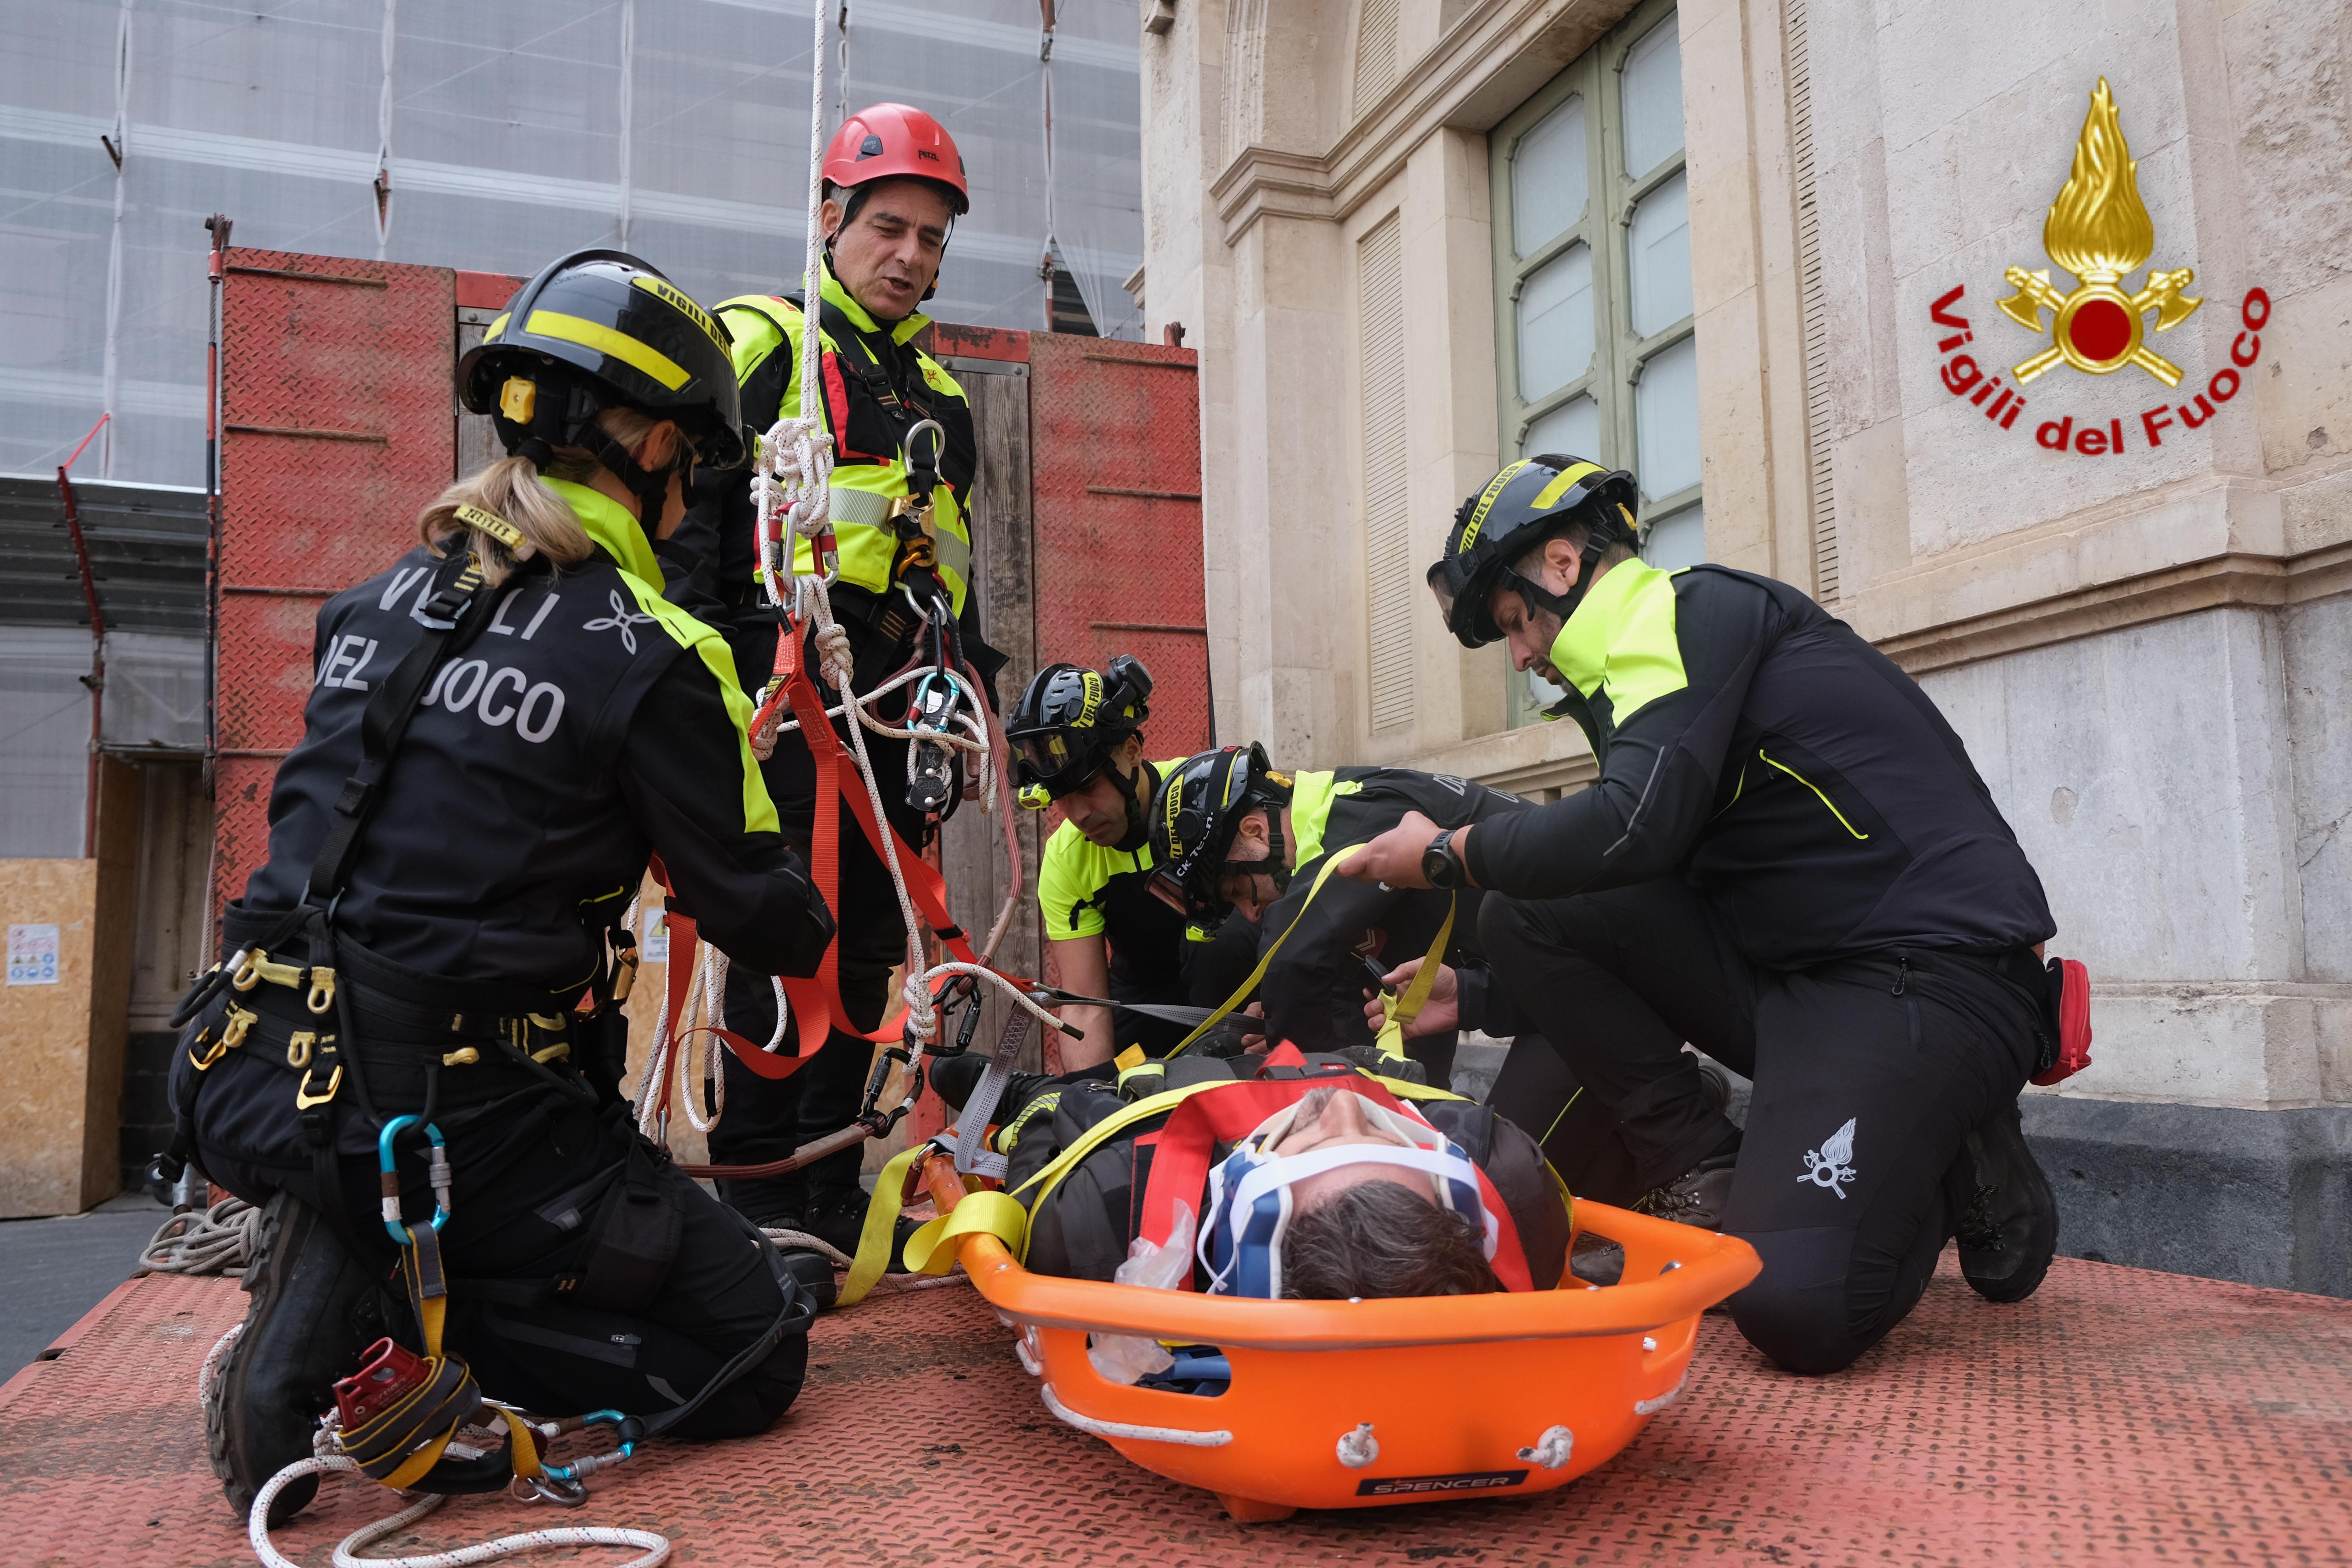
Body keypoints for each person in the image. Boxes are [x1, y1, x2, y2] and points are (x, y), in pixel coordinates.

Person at [167, 249, 833, 1523]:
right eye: (694, 453)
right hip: (455, 1110)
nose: (698, 489)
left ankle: (351, 1237)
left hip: (242, 1063)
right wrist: (748, 791)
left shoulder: (371, 602)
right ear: (640, 440)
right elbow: (767, 917)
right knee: (754, 1343)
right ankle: (378, 1299)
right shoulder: (654, 649)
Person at [1337, 453, 2065, 1376]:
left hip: (1927, 971)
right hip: (1801, 979)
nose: (1522, 656)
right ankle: (1702, 1166)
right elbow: (1630, 908)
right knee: (1524, 916)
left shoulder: (1680, 615)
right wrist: (1474, 994)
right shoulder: (1641, 684)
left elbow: (1624, 835)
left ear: (1562, 562)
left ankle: (1947, 1136)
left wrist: (1445, 853)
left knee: (1795, 1307)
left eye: (1518, 623)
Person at [683, 103, 1002, 1273]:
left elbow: (951, 575)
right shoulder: (763, 345)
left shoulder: (944, 401)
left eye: (930, 237)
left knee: (865, 951)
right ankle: (759, 1199)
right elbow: (695, 524)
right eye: (887, 228)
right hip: (782, 694)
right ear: (829, 220)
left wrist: (971, 696)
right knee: (779, 940)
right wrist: (704, 684)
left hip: (898, 711)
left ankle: (822, 1195)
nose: (910, 256)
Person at [946, 1051, 1570, 1303]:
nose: (1343, 1104)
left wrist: (1045, 1100)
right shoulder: (1513, 1189)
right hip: (1338, 1050)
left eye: (1309, 1142)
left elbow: (1047, 1138)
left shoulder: (1099, 1221)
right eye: (1385, 1136)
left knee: (1069, 1100)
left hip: (1160, 1101)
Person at [1147, 744, 1530, 1088]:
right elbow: (1374, 989)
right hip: (1535, 984)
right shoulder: (1330, 817)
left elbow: (1294, 958)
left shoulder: (1356, 813)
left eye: (1236, 892)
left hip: (1581, 957)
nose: (1249, 914)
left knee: (1514, 1152)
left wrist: (1300, 1071)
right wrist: (1282, 1026)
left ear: (1256, 832)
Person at [1011, 656, 1223, 1066]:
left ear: (1132, 751)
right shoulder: (1065, 860)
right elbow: (1084, 1003)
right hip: (1146, 997)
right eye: (1060, 798)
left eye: (1087, 787)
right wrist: (1089, 1101)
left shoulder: (1210, 793)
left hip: (1234, 982)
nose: (1077, 814)